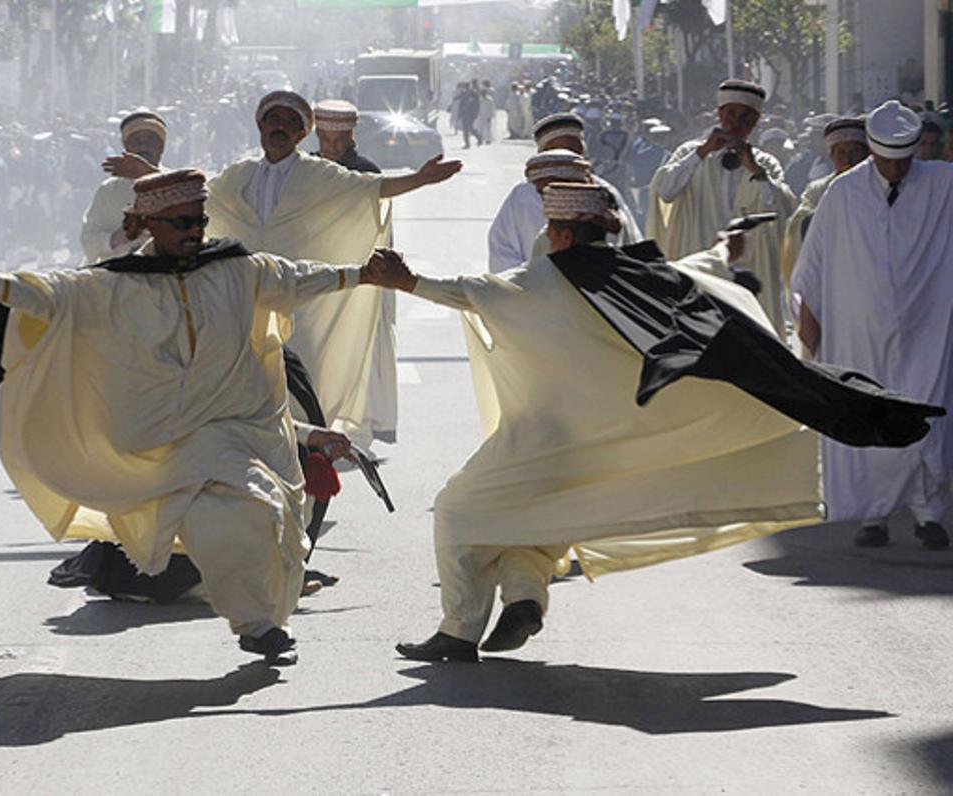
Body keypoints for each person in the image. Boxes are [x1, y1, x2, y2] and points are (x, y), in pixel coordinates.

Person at [357, 181, 940, 662]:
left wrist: (406, 281)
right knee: (535, 518)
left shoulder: (539, 281)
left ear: (561, 234)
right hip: (597, 442)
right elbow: (693, 271)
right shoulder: (636, 274)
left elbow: (467, 292)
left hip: (542, 437)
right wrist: (722, 251)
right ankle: (525, 600)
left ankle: (458, 632)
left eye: (549, 230)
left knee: (458, 510)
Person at [0, 169, 386, 664]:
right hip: (170, 442)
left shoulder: (237, 270)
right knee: (229, 518)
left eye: (200, 221)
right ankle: (258, 625)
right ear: (151, 224)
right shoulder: (115, 284)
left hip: (246, 433)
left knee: (273, 521)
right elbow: (49, 295)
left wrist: (362, 274)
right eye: (182, 222)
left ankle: (266, 621)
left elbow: (299, 277)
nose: (196, 231)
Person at [202, 90, 461, 447]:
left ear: (301, 134)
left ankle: (304, 450)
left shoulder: (320, 174)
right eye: (274, 120)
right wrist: (147, 177)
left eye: (290, 123)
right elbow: (197, 198)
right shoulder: (238, 176)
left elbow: (373, 188)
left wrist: (419, 178)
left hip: (300, 302)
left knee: (299, 385)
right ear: (260, 125)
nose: (280, 128)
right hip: (245, 305)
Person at [792, 100, 953, 551]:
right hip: (858, 330)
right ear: (874, 153)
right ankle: (873, 515)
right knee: (871, 414)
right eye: (887, 161)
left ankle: (929, 513)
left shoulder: (943, 184)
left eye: (904, 161)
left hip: (928, 325)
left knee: (928, 413)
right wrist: (808, 319)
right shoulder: (843, 193)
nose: (896, 170)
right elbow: (813, 264)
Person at [646, 80, 797, 338]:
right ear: (719, 114)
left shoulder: (765, 163)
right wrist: (703, 152)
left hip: (747, 269)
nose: (737, 122)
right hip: (700, 262)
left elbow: (781, 208)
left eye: (746, 117)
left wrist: (754, 169)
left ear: (756, 121)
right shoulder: (690, 153)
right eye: (731, 114)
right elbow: (665, 191)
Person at [486, 113, 640, 273]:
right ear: (545, 152)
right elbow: (502, 252)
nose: (572, 156)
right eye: (565, 149)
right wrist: (526, 283)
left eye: (576, 148)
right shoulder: (523, 196)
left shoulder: (603, 191)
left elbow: (630, 243)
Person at [780, 117, 869, 289]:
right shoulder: (818, 189)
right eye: (841, 153)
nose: (848, 159)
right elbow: (798, 224)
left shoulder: (879, 188)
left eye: (855, 151)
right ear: (831, 156)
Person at [79, 110, 167, 265]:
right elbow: (89, 239)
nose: (143, 147)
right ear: (126, 148)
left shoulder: (183, 183)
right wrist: (120, 237)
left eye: (150, 140)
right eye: (136, 141)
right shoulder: (109, 190)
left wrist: (149, 175)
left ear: (161, 146)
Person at [312, 99, 381, 174]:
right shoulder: (309, 167)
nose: (332, 147)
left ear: (350, 136)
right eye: (326, 140)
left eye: (338, 140)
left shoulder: (365, 172)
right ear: (318, 134)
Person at [477, 80, 496, 145]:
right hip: (480, 115)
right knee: (480, 128)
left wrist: (491, 116)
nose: (483, 94)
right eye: (482, 92)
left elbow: (492, 108)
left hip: (487, 116)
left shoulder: (489, 100)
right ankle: (480, 139)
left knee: (488, 128)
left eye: (484, 92)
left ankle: (488, 140)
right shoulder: (479, 99)